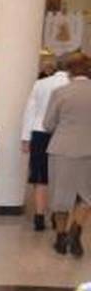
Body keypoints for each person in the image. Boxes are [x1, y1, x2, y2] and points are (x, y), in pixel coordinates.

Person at [43, 53, 91, 257]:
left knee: (60, 196)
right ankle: (76, 231)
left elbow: (48, 124)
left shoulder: (60, 92)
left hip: (62, 149)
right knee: (86, 196)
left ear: (69, 71)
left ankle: (61, 239)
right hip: (88, 150)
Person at [21, 57, 70, 231]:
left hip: (39, 132)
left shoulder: (41, 84)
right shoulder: (73, 86)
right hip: (64, 134)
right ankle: (57, 216)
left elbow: (30, 111)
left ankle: (39, 216)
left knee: (40, 176)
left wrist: (25, 138)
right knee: (61, 177)